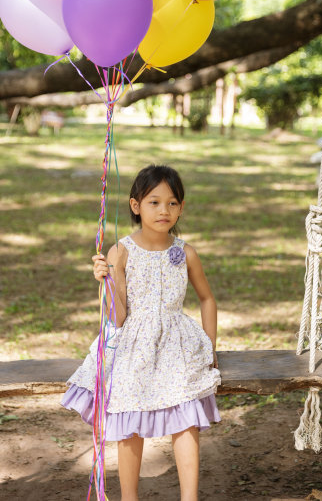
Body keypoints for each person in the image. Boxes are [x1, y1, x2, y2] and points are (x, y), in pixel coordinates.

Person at [61, 164, 221, 501]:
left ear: (181, 207)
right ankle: (128, 497)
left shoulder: (185, 252)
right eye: (154, 202)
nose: (164, 210)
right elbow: (118, 318)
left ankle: (189, 497)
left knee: (186, 412)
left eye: (173, 203)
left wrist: (210, 346)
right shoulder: (121, 251)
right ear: (136, 206)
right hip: (134, 342)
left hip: (178, 342)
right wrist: (109, 277)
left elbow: (207, 299)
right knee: (128, 410)